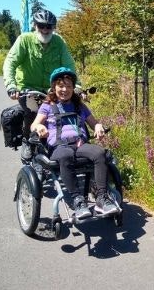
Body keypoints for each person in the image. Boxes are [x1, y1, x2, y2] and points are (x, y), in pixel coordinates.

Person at [30, 67, 120, 219]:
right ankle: (78, 200)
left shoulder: (80, 106)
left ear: (73, 88)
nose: (65, 89)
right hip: (60, 147)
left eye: (69, 86)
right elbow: (34, 125)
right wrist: (40, 127)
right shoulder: (47, 106)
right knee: (66, 155)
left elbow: (93, 122)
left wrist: (98, 126)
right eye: (61, 86)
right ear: (54, 87)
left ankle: (101, 198)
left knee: (99, 153)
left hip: (80, 145)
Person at [3, 8, 82, 160]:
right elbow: (10, 63)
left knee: (60, 112)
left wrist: (76, 85)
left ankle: (60, 143)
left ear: (53, 27)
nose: (45, 30)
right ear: (35, 26)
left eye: (49, 26)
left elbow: (69, 65)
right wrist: (11, 86)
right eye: (41, 26)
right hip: (28, 88)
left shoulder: (58, 42)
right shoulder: (24, 40)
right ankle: (27, 141)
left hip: (51, 89)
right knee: (33, 112)